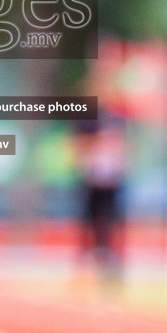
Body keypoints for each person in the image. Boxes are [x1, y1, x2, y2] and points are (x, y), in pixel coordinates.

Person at [71, 111, 129, 288]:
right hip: (93, 181)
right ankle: (87, 257)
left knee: (110, 221)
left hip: (111, 182)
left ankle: (107, 256)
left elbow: (123, 151)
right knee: (88, 219)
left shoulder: (118, 121)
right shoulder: (88, 126)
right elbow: (79, 147)